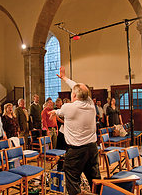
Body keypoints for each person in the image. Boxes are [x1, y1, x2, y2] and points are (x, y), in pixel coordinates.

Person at [49, 66, 100, 195]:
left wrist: (54, 111)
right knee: (94, 178)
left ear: (74, 95)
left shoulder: (68, 107)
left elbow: (59, 112)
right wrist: (65, 78)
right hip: (92, 148)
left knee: (72, 178)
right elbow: (76, 86)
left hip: (76, 151)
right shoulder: (90, 103)